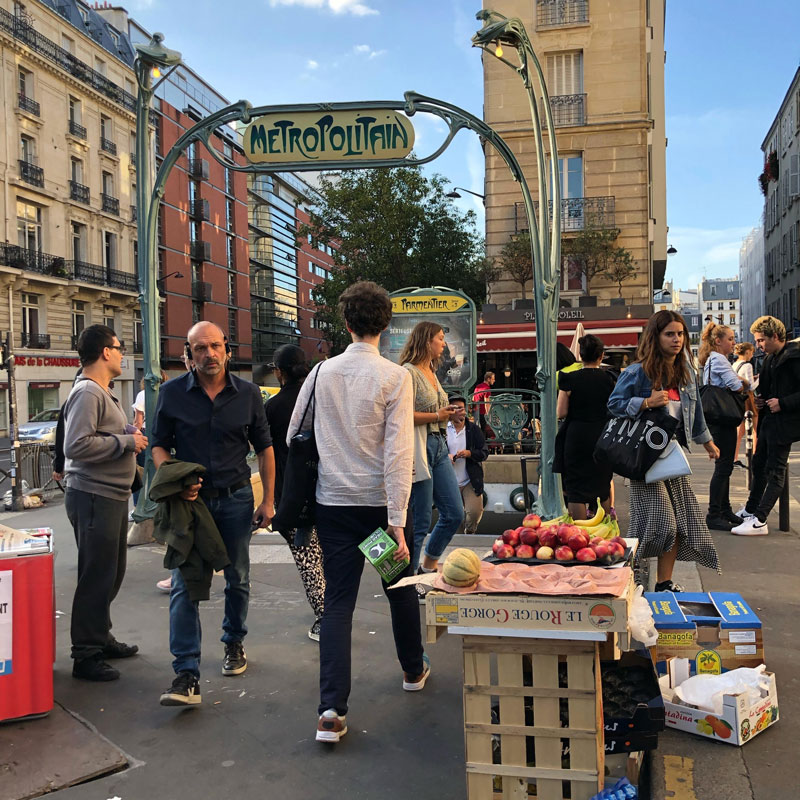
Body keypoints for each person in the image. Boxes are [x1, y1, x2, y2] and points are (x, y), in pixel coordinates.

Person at [287, 281, 429, 744]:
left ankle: (331, 709)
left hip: (334, 508)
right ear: (386, 326)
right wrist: (397, 520)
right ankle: (412, 669)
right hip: (378, 514)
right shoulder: (395, 377)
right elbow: (398, 454)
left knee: (338, 605)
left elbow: (295, 433)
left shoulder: (322, 373)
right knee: (399, 588)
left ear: (345, 324)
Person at [151, 321, 275, 706]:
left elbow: (266, 448)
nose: (209, 354)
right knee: (184, 584)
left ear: (227, 349)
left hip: (237, 499)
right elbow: (158, 446)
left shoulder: (249, 394)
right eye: (199, 348)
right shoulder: (171, 394)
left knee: (237, 578)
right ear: (188, 354)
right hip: (191, 506)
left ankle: (234, 641)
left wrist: (268, 500)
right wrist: (176, 481)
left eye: (215, 346)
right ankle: (185, 673)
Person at [608, 310, 720, 592]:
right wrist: (644, 402)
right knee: (661, 523)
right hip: (645, 458)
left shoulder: (686, 373)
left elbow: (695, 416)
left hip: (674, 458)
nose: (677, 339)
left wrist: (707, 442)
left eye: (680, 334)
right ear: (655, 337)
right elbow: (613, 405)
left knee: (681, 523)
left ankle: (663, 583)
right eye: (669, 334)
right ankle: (627, 575)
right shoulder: (638, 371)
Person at [63, 326, 148, 681]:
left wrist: (124, 433)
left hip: (108, 495)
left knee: (110, 572)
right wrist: (125, 443)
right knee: (96, 575)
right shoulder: (88, 393)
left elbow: (97, 435)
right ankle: (86, 653)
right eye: (118, 347)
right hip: (93, 495)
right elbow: (76, 445)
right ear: (104, 353)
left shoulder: (102, 393)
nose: (122, 353)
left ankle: (100, 635)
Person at [264, 344, 325, 642]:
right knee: (332, 549)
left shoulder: (272, 408)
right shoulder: (321, 397)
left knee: (307, 555)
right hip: (330, 488)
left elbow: (267, 453)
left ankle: (325, 617)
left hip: (292, 494)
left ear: (279, 372)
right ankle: (402, 584)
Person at [401, 321, 464, 575]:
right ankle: (409, 578)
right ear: (426, 341)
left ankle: (428, 565)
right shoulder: (409, 372)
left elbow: (436, 412)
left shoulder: (431, 372)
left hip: (439, 444)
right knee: (420, 520)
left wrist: (451, 415)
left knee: (454, 513)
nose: (443, 343)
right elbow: (402, 414)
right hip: (420, 446)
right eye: (439, 338)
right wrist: (439, 415)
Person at [731, 316, 800, 536]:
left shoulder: (794, 357)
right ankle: (753, 511)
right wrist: (762, 399)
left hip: (785, 422)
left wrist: (782, 403)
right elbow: (769, 389)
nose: (758, 345)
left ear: (775, 337)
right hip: (771, 421)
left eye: (761, 340)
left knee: (776, 471)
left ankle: (760, 519)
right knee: (760, 465)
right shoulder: (771, 358)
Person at [554, 334, 616, 520]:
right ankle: (604, 528)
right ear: (601, 355)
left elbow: (561, 412)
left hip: (576, 435)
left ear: (580, 355)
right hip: (602, 434)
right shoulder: (610, 379)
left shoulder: (569, 379)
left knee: (576, 488)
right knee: (602, 484)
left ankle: (580, 533)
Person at [697, 322, 748, 531]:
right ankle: (714, 513)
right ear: (718, 341)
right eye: (730, 339)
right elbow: (736, 386)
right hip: (721, 418)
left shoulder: (715, 359)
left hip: (718, 418)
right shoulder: (719, 359)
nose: (733, 342)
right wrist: (743, 380)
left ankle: (724, 509)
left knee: (724, 466)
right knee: (723, 467)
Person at [446, 394, 489, 534]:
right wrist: (447, 457)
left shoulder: (473, 429)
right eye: (457, 408)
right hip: (448, 480)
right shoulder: (442, 429)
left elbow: (484, 452)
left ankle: (469, 533)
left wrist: (470, 454)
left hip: (469, 479)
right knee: (452, 515)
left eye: (463, 409)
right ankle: (454, 539)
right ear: (449, 411)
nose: (461, 412)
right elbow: (432, 451)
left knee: (475, 512)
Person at [732, 342, 757, 468]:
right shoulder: (748, 365)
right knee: (755, 430)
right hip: (748, 399)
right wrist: (760, 379)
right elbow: (751, 386)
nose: (752, 356)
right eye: (752, 352)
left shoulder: (734, 364)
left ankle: (734, 457)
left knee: (739, 432)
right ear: (747, 352)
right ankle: (755, 458)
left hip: (738, 399)